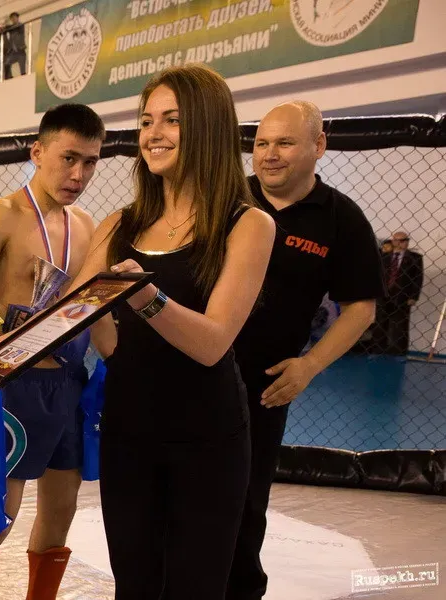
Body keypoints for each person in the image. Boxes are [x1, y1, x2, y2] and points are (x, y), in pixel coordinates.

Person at [63, 64, 275, 598]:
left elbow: (212, 343)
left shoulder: (248, 224)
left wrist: (145, 297)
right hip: (129, 430)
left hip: (207, 437)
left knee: (194, 588)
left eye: (172, 120)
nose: (153, 133)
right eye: (146, 120)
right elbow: (76, 318)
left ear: (207, 126)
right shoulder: (120, 224)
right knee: (134, 585)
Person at [223, 100, 384, 600]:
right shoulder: (226, 198)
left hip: (265, 385)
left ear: (319, 146)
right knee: (176, 490)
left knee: (246, 498)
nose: (269, 154)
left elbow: (361, 307)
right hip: (197, 369)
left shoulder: (340, 218)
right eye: (262, 143)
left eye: (285, 143)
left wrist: (310, 365)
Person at [0, 103, 106, 600]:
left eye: (90, 162)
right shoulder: (1, 216)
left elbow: (90, 309)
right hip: (13, 382)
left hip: (68, 381)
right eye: (68, 158)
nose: (78, 174)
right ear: (38, 152)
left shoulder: (87, 225)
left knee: (61, 513)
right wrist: (22, 325)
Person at [377, 230, 423, 355]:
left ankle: (400, 352)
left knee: (401, 325)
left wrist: (414, 296)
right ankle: (377, 350)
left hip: (403, 296)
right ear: (394, 241)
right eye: (401, 240)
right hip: (384, 295)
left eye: (406, 240)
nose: (404, 243)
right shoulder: (384, 257)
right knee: (380, 323)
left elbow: (418, 278)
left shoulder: (415, 258)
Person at [2, 12, 27, 79]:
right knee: (6, 63)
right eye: (12, 18)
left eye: (14, 17)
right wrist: (5, 25)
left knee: (22, 69)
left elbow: (15, 27)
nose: (13, 19)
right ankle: (9, 77)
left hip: (20, 50)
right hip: (13, 51)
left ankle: (23, 79)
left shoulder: (20, 25)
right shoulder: (11, 28)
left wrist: (7, 26)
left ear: (17, 18)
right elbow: (3, 30)